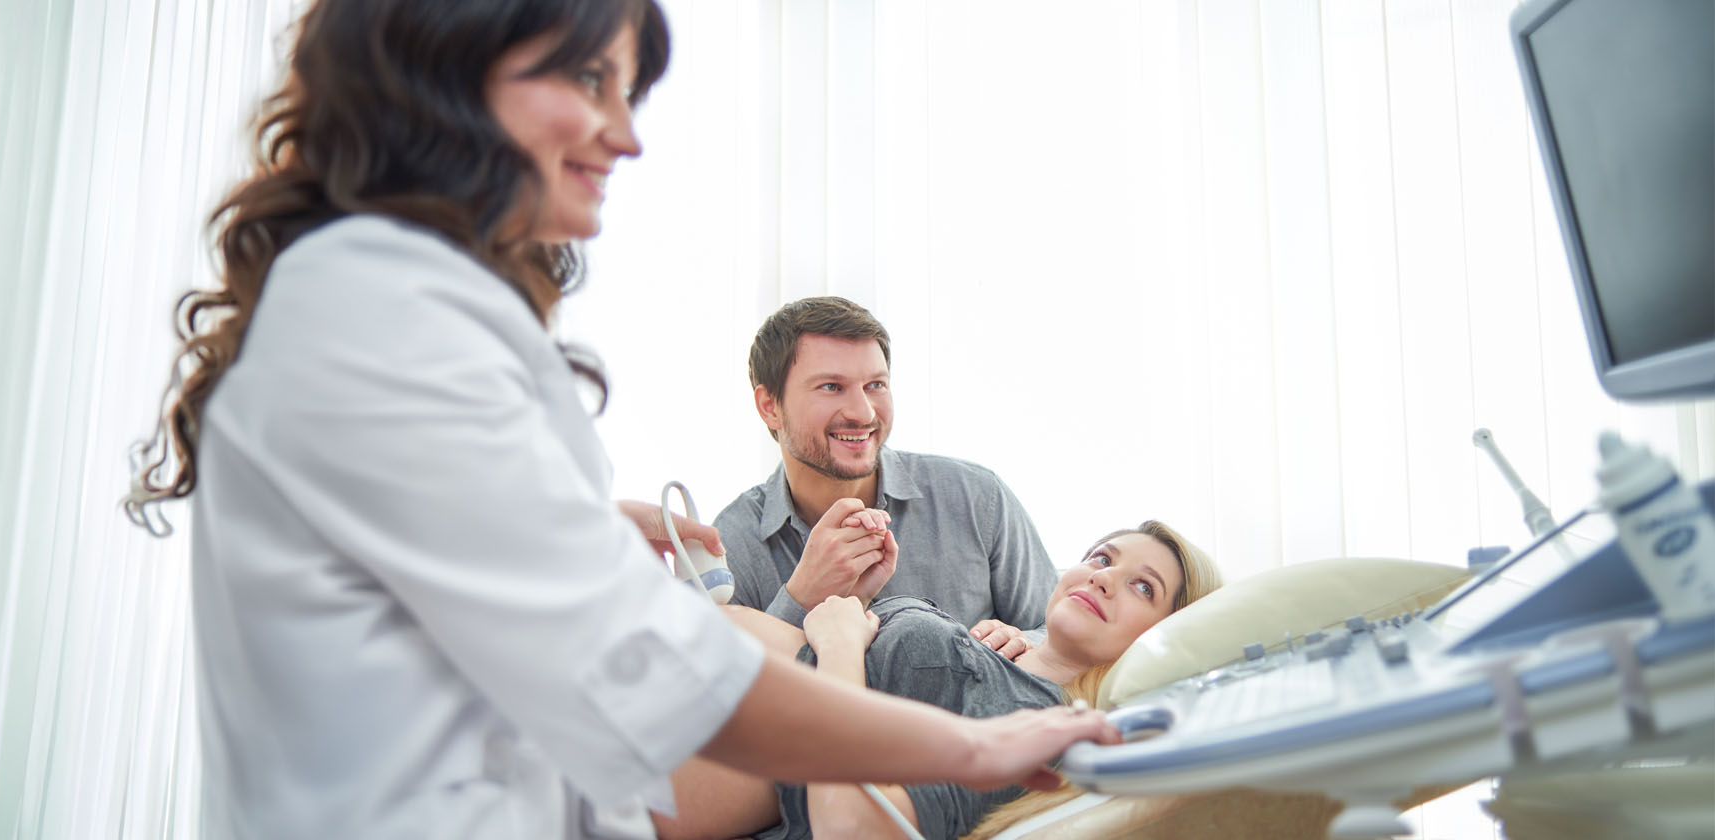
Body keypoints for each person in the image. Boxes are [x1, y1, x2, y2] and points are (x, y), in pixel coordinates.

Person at [124, 2, 1121, 838]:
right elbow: (664, 681)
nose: (627, 133)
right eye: (590, 83)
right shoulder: (385, 317)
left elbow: (404, 556)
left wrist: (578, 523)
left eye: (625, 92)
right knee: (904, 650)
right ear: (445, 74)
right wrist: (976, 743)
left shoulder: (377, 302)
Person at [658, 521, 1225, 840]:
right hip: (656, 679)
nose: (1105, 579)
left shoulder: (1038, 728)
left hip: (665, 755)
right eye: (1102, 558)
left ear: (1167, 636)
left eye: (1143, 587)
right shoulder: (999, 648)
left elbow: (853, 828)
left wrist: (838, 648)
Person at [714, 296, 1058, 656]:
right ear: (770, 407)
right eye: (831, 387)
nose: (863, 413)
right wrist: (800, 598)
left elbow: (1056, 630)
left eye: (875, 385)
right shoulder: (731, 544)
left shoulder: (977, 498)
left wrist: (1023, 644)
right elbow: (718, 693)